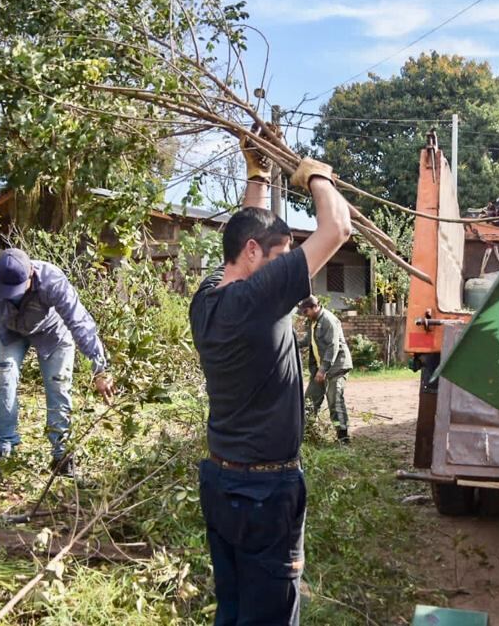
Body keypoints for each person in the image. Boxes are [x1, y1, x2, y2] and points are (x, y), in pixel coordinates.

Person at [189, 128, 352, 626]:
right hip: (265, 493)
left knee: (235, 607)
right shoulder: (257, 300)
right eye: (282, 258)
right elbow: (339, 227)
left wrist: (257, 172)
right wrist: (318, 177)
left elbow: (246, 230)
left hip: (222, 481)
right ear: (257, 255)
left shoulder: (208, 296)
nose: (287, 273)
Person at [0, 248, 113, 477]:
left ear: (31, 274)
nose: (13, 295)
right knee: (3, 379)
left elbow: (79, 322)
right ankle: (5, 451)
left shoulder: (52, 279)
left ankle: (61, 455)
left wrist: (99, 368)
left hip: (53, 332)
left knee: (58, 384)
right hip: (10, 331)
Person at [298, 295, 353, 443]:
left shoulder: (328, 320)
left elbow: (332, 347)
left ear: (315, 307)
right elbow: (307, 341)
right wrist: (290, 342)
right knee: (309, 400)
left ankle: (343, 438)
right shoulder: (312, 322)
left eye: (306, 311)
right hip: (320, 368)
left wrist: (323, 370)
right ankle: (307, 434)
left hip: (336, 367)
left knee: (334, 400)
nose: (304, 314)